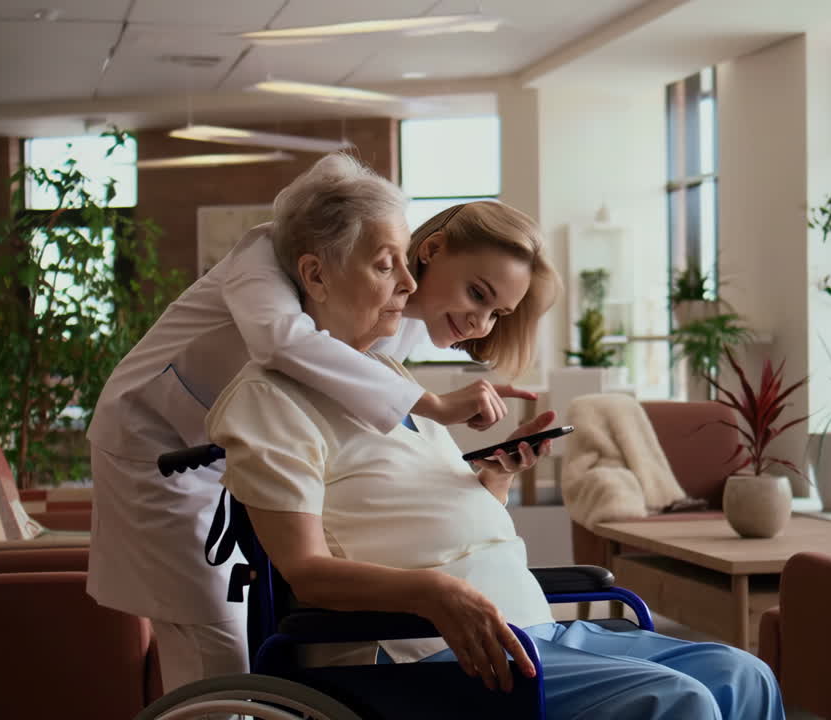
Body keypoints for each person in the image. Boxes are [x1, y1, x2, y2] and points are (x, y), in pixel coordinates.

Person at [205, 194, 785, 719]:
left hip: (529, 624)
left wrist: (493, 481)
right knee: (679, 703)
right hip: (425, 652)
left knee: (745, 674)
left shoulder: (387, 377)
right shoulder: (269, 402)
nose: (408, 282)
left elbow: (437, 522)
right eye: (387, 267)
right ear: (317, 276)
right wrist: (435, 593)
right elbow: (306, 571)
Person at [85, 153, 551, 695]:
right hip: (157, 445)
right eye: (477, 296)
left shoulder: (395, 317)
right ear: (431, 249)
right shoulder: (267, 253)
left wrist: (487, 470)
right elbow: (280, 341)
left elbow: (364, 454)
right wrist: (434, 405)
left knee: (242, 637)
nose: (480, 324)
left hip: (238, 448)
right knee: (211, 635)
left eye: (497, 314)